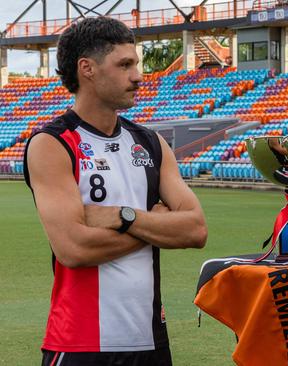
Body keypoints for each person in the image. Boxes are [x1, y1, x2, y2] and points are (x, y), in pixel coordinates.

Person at [23, 17, 208, 365]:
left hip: (150, 340)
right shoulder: (51, 144)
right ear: (87, 69)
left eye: (135, 63)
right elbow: (74, 249)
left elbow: (196, 229)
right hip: (80, 343)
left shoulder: (151, 143)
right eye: (125, 65)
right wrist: (154, 226)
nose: (138, 76)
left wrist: (122, 217)